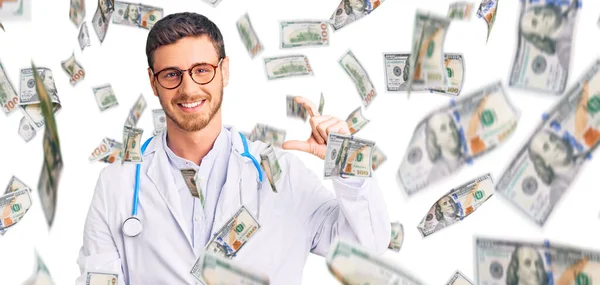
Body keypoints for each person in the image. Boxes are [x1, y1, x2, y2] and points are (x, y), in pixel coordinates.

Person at [76, 12, 390, 285]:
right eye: (171, 74)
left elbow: (367, 247)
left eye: (202, 70)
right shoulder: (117, 185)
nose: (188, 88)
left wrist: (349, 162)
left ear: (224, 71)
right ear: (153, 81)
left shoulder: (282, 176)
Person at [527, 129, 585, 205]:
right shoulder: (558, 192)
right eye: (546, 148)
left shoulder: (583, 157)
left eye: (552, 139)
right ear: (543, 162)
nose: (554, 146)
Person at [519, 0, 578, 69]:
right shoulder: (565, 51)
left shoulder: (574, 6)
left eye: (537, 11)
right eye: (535, 23)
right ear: (540, 36)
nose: (541, 16)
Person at [425, 112, 464, 181]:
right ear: (435, 140)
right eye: (443, 129)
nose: (451, 131)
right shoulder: (435, 174)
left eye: (451, 125)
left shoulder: (468, 157)